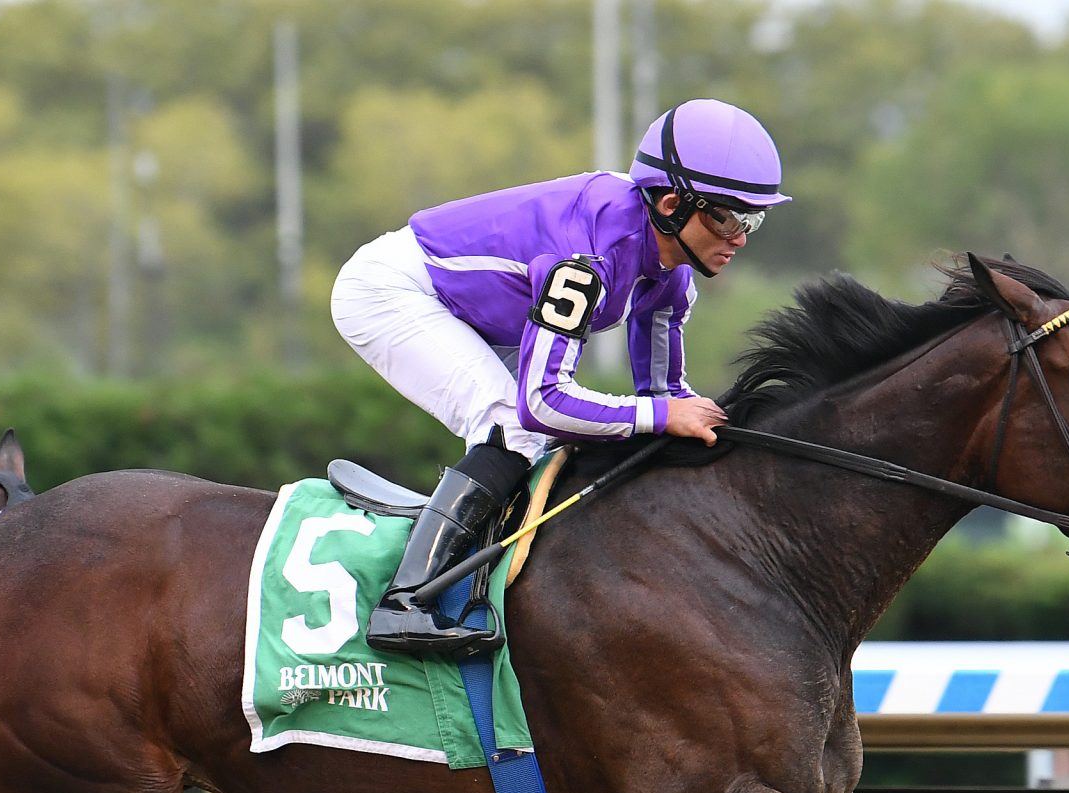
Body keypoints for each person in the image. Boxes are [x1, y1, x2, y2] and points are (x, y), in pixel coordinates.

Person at [330, 98, 789, 659]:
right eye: (728, 216)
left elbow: (667, 397)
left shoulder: (670, 276)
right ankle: (403, 604)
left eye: (754, 220)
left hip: (467, 310)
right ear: (671, 204)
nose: (741, 237)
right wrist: (664, 415)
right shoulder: (587, 260)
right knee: (510, 427)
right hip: (390, 292)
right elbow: (543, 405)